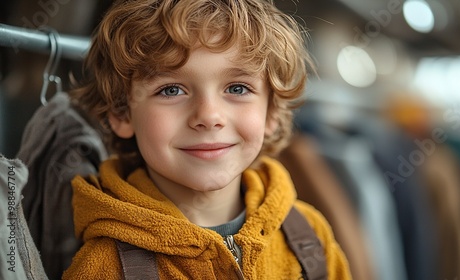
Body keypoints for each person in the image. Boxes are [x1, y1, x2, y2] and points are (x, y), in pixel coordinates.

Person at [62, 0, 352, 279]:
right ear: (122, 112)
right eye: (172, 90)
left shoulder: (310, 234)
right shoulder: (103, 268)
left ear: (271, 112)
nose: (209, 115)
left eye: (237, 88)